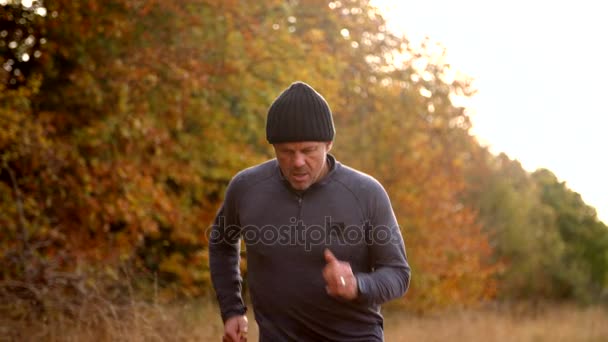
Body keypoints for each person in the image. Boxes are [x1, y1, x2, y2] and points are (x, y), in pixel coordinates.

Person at [209, 81, 411, 342]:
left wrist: (358, 285)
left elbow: (398, 273)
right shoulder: (247, 187)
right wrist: (232, 309)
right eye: (286, 151)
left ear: (328, 143)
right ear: (273, 147)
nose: (298, 162)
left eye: (308, 150)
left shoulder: (366, 193)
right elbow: (221, 243)